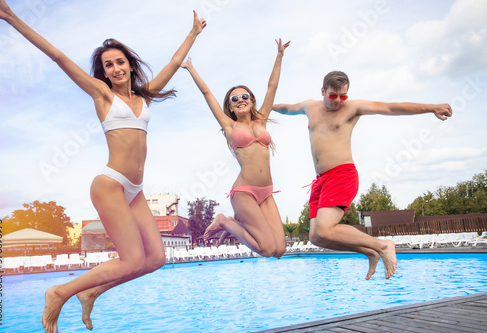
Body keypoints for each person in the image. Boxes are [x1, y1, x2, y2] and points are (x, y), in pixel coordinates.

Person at [0, 1, 206, 332]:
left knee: (156, 259)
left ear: (130, 66)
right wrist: (10, 16)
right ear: (103, 72)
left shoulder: (144, 97)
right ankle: (58, 292)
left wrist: (193, 33)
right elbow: (58, 56)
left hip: (135, 190)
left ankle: (92, 292)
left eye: (120, 62)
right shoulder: (103, 95)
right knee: (133, 259)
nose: (116, 68)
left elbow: (175, 63)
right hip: (111, 184)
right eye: (108, 65)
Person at [272, 71, 452, 279]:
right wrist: (263, 109)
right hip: (320, 181)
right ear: (323, 91)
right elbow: (286, 108)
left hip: (342, 174)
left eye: (343, 96)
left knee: (326, 229)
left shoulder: (352, 108)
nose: (338, 101)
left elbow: (391, 107)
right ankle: (369, 252)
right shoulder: (310, 107)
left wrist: (432, 108)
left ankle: (383, 245)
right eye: (332, 95)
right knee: (316, 237)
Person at [180, 38, 290, 258]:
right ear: (230, 106)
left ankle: (231, 226)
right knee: (267, 249)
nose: (240, 100)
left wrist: (279, 55)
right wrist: (191, 68)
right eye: (235, 99)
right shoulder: (230, 126)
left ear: (251, 100)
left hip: (266, 191)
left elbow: (272, 86)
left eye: (244, 96)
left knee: (279, 250)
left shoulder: (262, 120)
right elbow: (207, 94)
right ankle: (225, 222)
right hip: (244, 192)